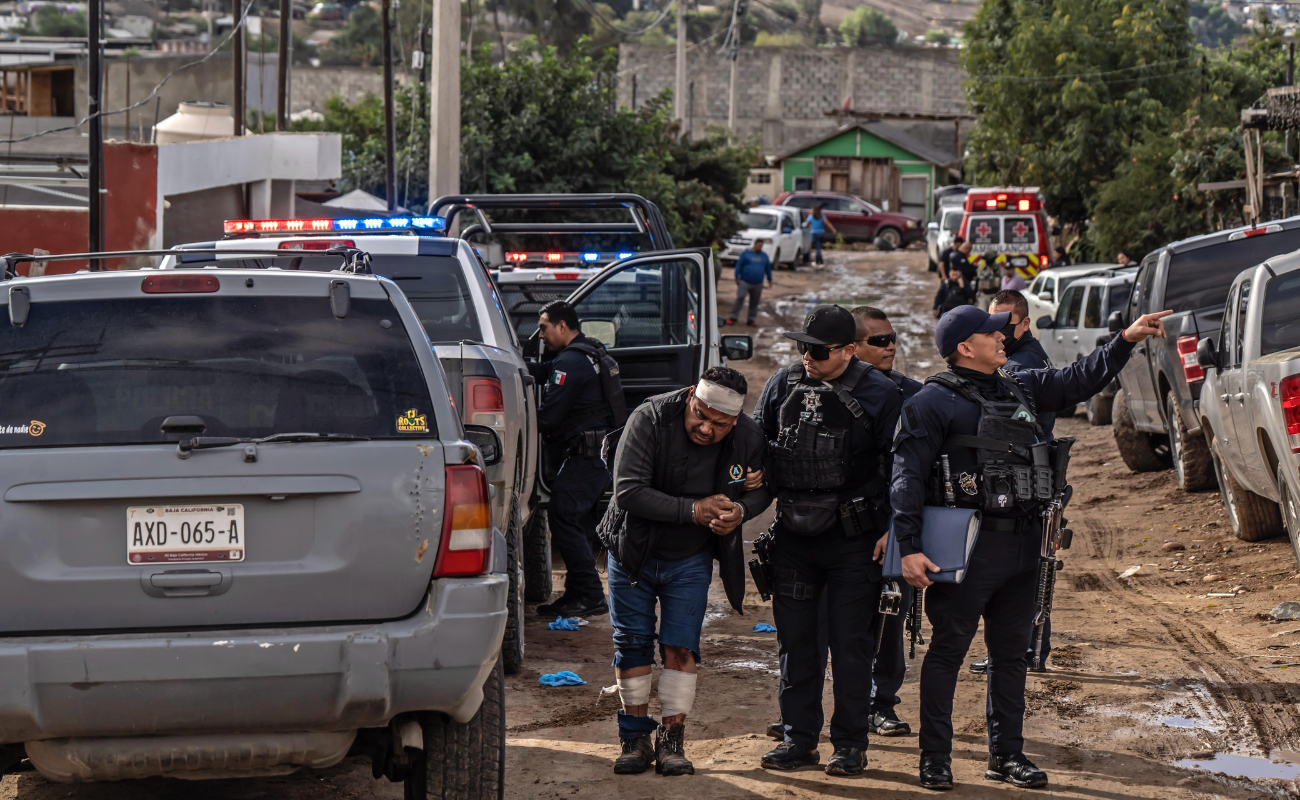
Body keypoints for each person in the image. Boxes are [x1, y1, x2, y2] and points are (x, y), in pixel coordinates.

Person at [890, 304, 1171, 790]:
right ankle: (934, 757)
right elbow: (906, 477)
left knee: (1011, 655)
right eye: (993, 334)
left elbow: (1080, 378)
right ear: (964, 347)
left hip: (1023, 545)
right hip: (965, 550)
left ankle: (1007, 755)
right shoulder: (930, 402)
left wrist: (1125, 337)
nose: (1005, 339)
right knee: (947, 653)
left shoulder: (1021, 384)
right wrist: (909, 546)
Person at [753, 305, 903, 776]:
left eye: (817, 350)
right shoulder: (783, 384)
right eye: (801, 346)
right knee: (796, 644)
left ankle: (850, 744)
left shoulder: (882, 393)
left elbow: (902, 467)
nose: (806, 356)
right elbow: (758, 442)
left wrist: (895, 530)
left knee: (851, 644)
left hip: (854, 540)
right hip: (795, 536)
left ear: (849, 350)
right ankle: (799, 740)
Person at [602, 367, 771, 777]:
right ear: (691, 395)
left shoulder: (748, 437)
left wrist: (743, 509)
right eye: (701, 414)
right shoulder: (651, 417)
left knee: (680, 647)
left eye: (720, 423)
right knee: (633, 643)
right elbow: (627, 490)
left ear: (735, 421)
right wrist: (693, 510)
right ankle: (634, 738)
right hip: (632, 551)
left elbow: (766, 489)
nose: (706, 428)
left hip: (690, 557)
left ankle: (672, 742)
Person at [967, 290, 1057, 677]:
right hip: (1028, 474)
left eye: (1006, 323)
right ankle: (1025, 649)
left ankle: (1022, 650)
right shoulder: (1021, 357)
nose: (998, 331)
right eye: (993, 323)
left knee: (1029, 575)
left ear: (1024, 323)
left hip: (1028, 476)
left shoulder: (1023, 363)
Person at [528, 300, 626, 619]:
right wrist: (519, 368)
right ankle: (576, 594)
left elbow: (548, 417)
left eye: (543, 328)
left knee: (563, 515)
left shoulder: (571, 361)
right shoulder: (587, 353)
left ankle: (590, 595)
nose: (540, 334)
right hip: (599, 454)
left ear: (561, 326)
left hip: (588, 454)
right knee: (578, 521)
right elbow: (547, 371)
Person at [852, 306, 922, 738]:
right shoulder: (817, 389)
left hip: (891, 526)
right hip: (838, 530)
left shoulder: (909, 394)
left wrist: (901, 527)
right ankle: (806, 712)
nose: (890, 346)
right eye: (878, 340)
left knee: (891, 618)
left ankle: (883, 704)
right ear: (850, 347)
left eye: (892, 337)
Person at [727, 239, 773, 327]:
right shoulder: (746, 254)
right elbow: (739, 265)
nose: (760, 247)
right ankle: (733, 317)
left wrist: (769, 279)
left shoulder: (764, 256)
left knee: (754, 302)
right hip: (745, 281)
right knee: (740, 298)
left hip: (758, 283)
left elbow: (768, 269)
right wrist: (737, 277)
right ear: (754, 245)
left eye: (761, 246)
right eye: (758, 245)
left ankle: (751, 319)